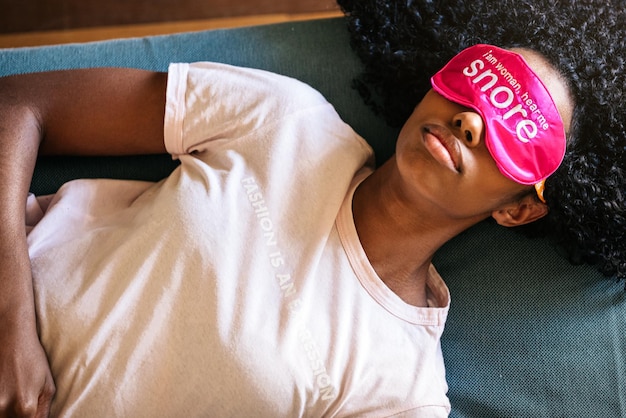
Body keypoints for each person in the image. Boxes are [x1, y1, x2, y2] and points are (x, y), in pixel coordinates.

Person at [1, 1, 624, 417]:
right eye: (479, 85)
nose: (470, 119)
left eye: (517, 129)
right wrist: (11, 323)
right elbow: (18, 107)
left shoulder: (400, 391)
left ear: (517, 210)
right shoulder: (284, 119)